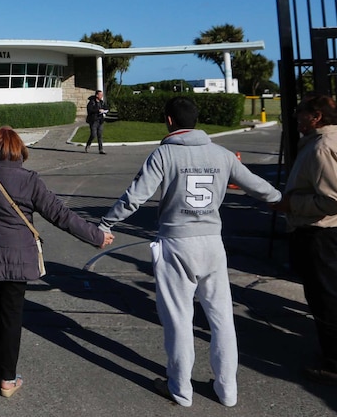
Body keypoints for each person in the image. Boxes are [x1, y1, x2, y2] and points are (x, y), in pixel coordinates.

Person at [99, 97, 281, 407]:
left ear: (169, 120)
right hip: (212, 243)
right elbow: (258, 186)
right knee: (222, 318)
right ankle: (227, 391)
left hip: (177, 243)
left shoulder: (164, 154)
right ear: (196, 120)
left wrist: (105, 222)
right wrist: (281, 199)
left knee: (179, 319)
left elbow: (135, 197)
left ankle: (181, 390)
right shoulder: (222, 155)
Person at [0, 126, 113, 397]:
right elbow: (61, 215)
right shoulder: (30, 180)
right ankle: (8, 378)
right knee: (11, 317)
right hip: (18, 260)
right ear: (18, 151)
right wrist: (96, 236)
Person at [270, 94, 337, 389]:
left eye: (302, 115)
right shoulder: (331, 140)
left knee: (326, 301)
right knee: (324, 298)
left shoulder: (324, 148)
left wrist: (291, 205)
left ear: (317, 117)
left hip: (322, 233)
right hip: (326, 231)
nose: (297, 119)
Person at [85, 90, 108, 154]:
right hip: (93, 121)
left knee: (100, 135)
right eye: (100, 95)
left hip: (100, 120)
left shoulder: (102, 102)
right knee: (93, 135)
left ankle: (101, 149)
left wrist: (105, 110)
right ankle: (88, 145)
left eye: (102, 95)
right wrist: (98, 110)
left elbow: (106, 108)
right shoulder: (91, 102)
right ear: (97, 95)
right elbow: (90, 110)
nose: (101, 96)